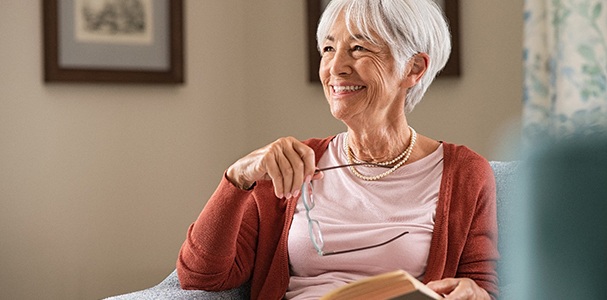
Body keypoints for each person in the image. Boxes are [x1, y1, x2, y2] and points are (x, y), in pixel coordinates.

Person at [177, 0, 499, 299]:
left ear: (413, 68)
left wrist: (473, 292)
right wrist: (238, 177)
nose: (336, 67)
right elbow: (200, 275)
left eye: (358, 48)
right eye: (329, 48)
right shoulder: (290, 165)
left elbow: (481, 287)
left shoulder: (465, 174)